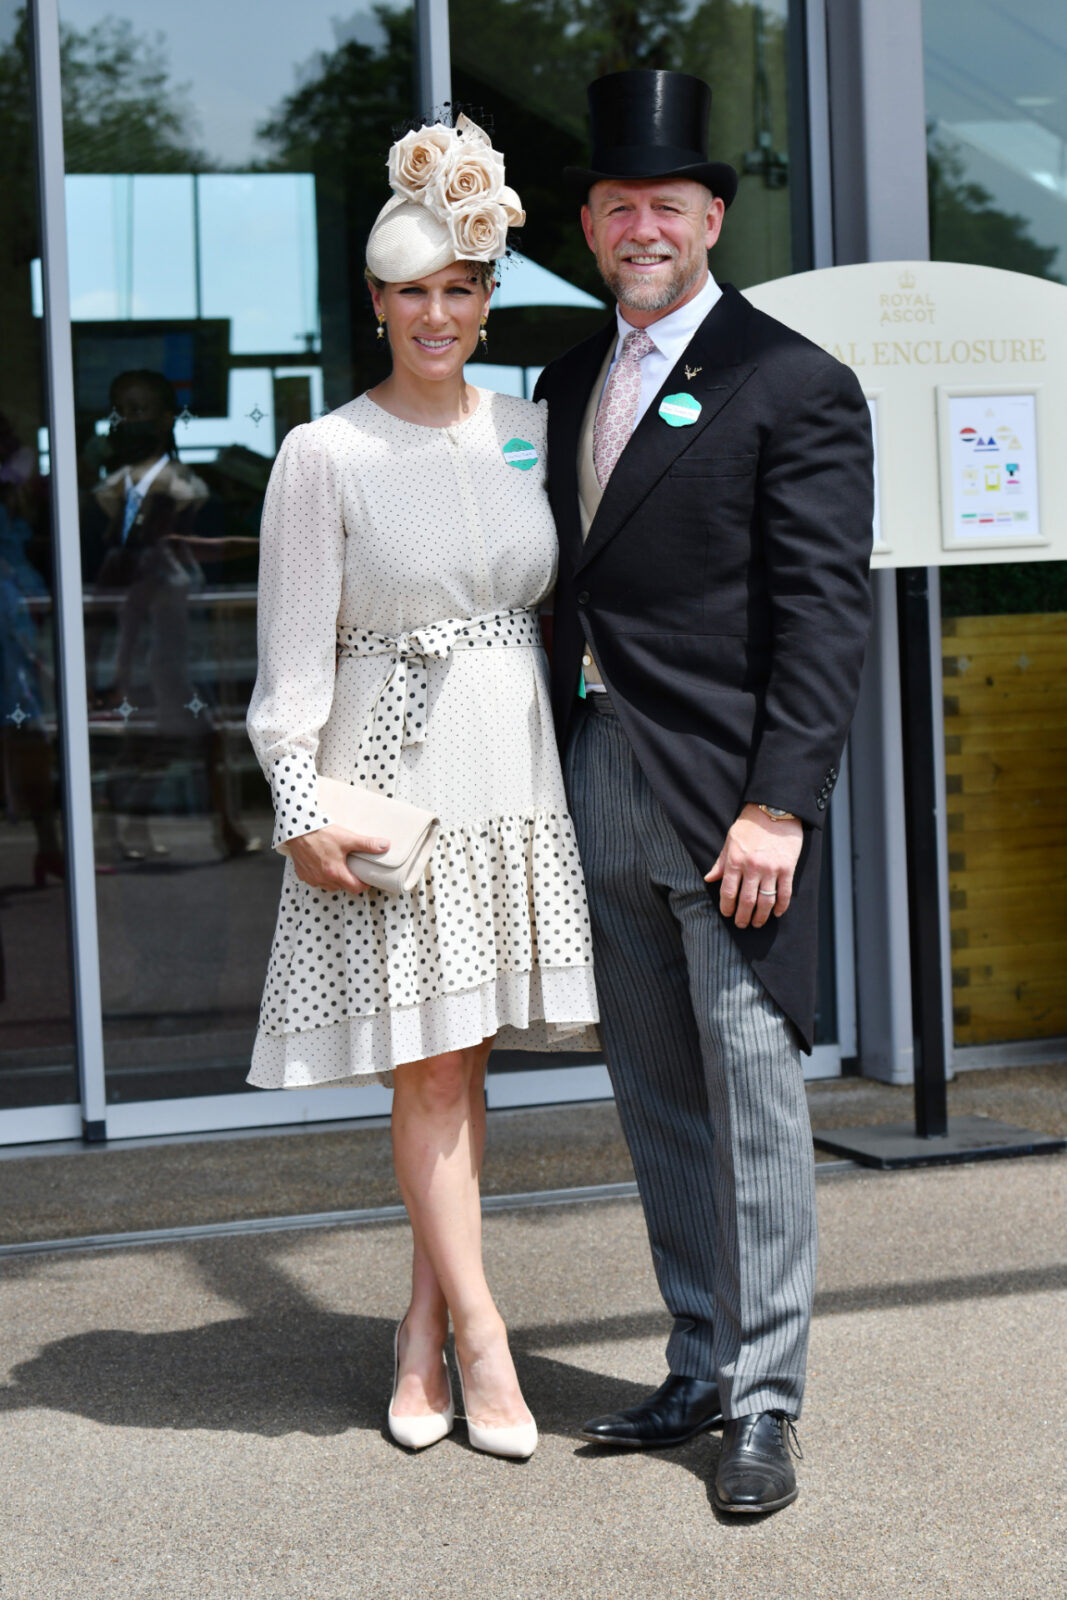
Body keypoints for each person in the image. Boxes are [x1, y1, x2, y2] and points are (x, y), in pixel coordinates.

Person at [535, 70, 873, 1513]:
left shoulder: (791, 379)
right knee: (657, 1092)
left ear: (713, 218)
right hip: (597, 773)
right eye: (618, 205)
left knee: (750, 1098)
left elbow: (823, 616)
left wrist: (780, 806)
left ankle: (769, 1401)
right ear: (593, 225)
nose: (642, 225)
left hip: (729, 798)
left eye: (667, 203)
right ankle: (697, 1358)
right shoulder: (559, 377)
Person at [246, 115, 598, 1462]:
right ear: (376, 302)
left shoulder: (527, 432)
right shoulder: (323, 454)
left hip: (513, 769)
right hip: (394, 779)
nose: (437, 313)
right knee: (431, 1073)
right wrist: (300, 800)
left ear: (488, 297)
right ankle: (485, 1337)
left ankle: (417, 1328)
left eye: (461, 289)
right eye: (412, 292)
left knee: (461, 1063)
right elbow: (287, 665)